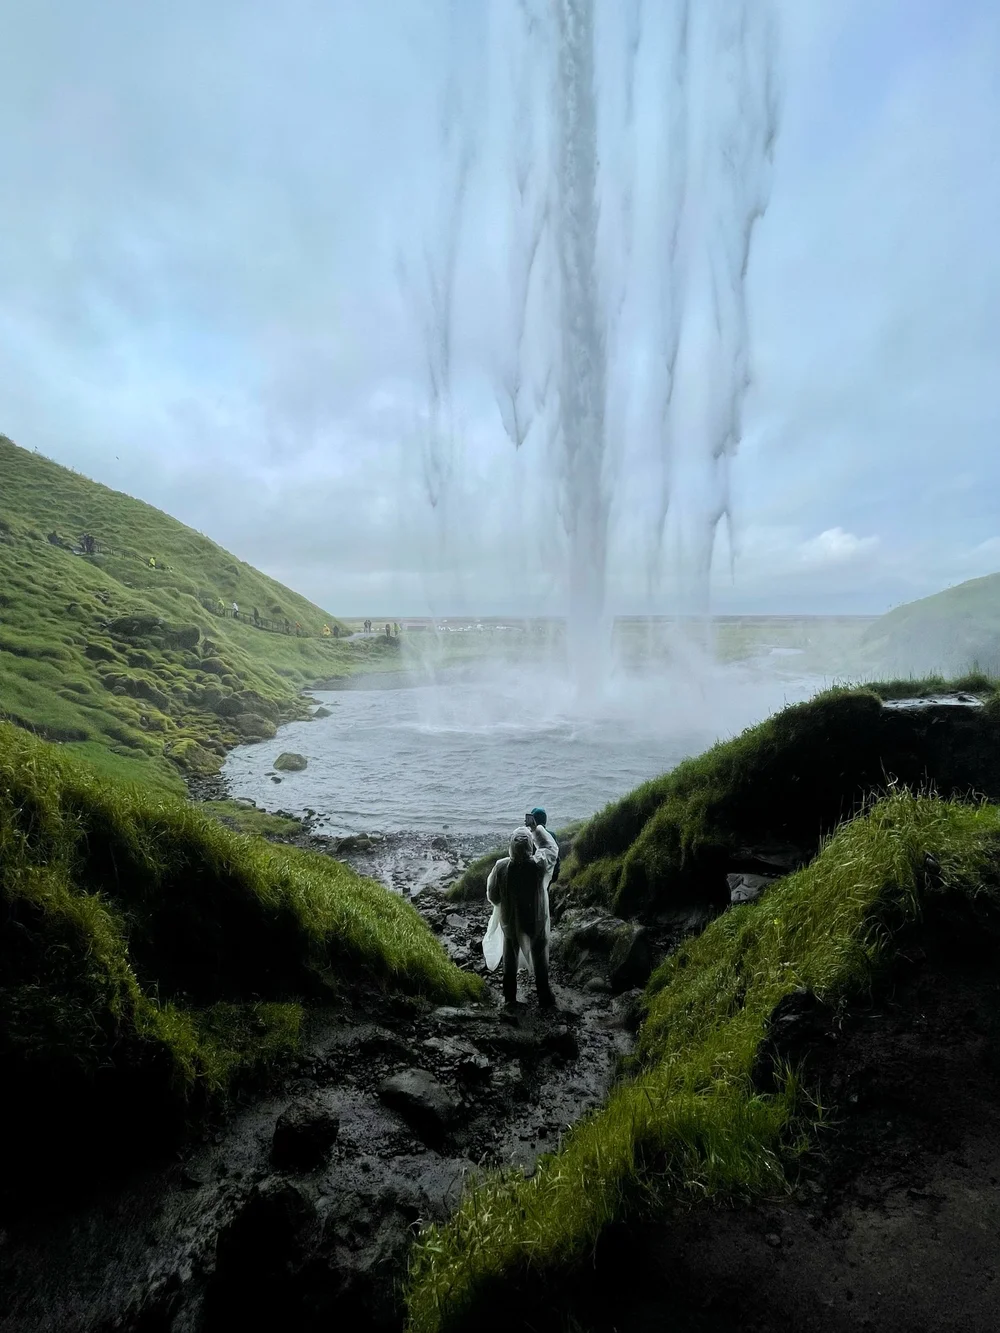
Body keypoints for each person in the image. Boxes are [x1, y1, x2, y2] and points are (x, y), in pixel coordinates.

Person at [483, 809, 559, 1009]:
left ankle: (510, 997)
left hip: (510, 921)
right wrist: (536, 829)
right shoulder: (538, 865)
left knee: (510, 957)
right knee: (540, 956)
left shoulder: (501, 867)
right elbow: (551, 847)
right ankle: (544, 995)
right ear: (529, 846)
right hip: (536, 920)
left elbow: (492, 896)